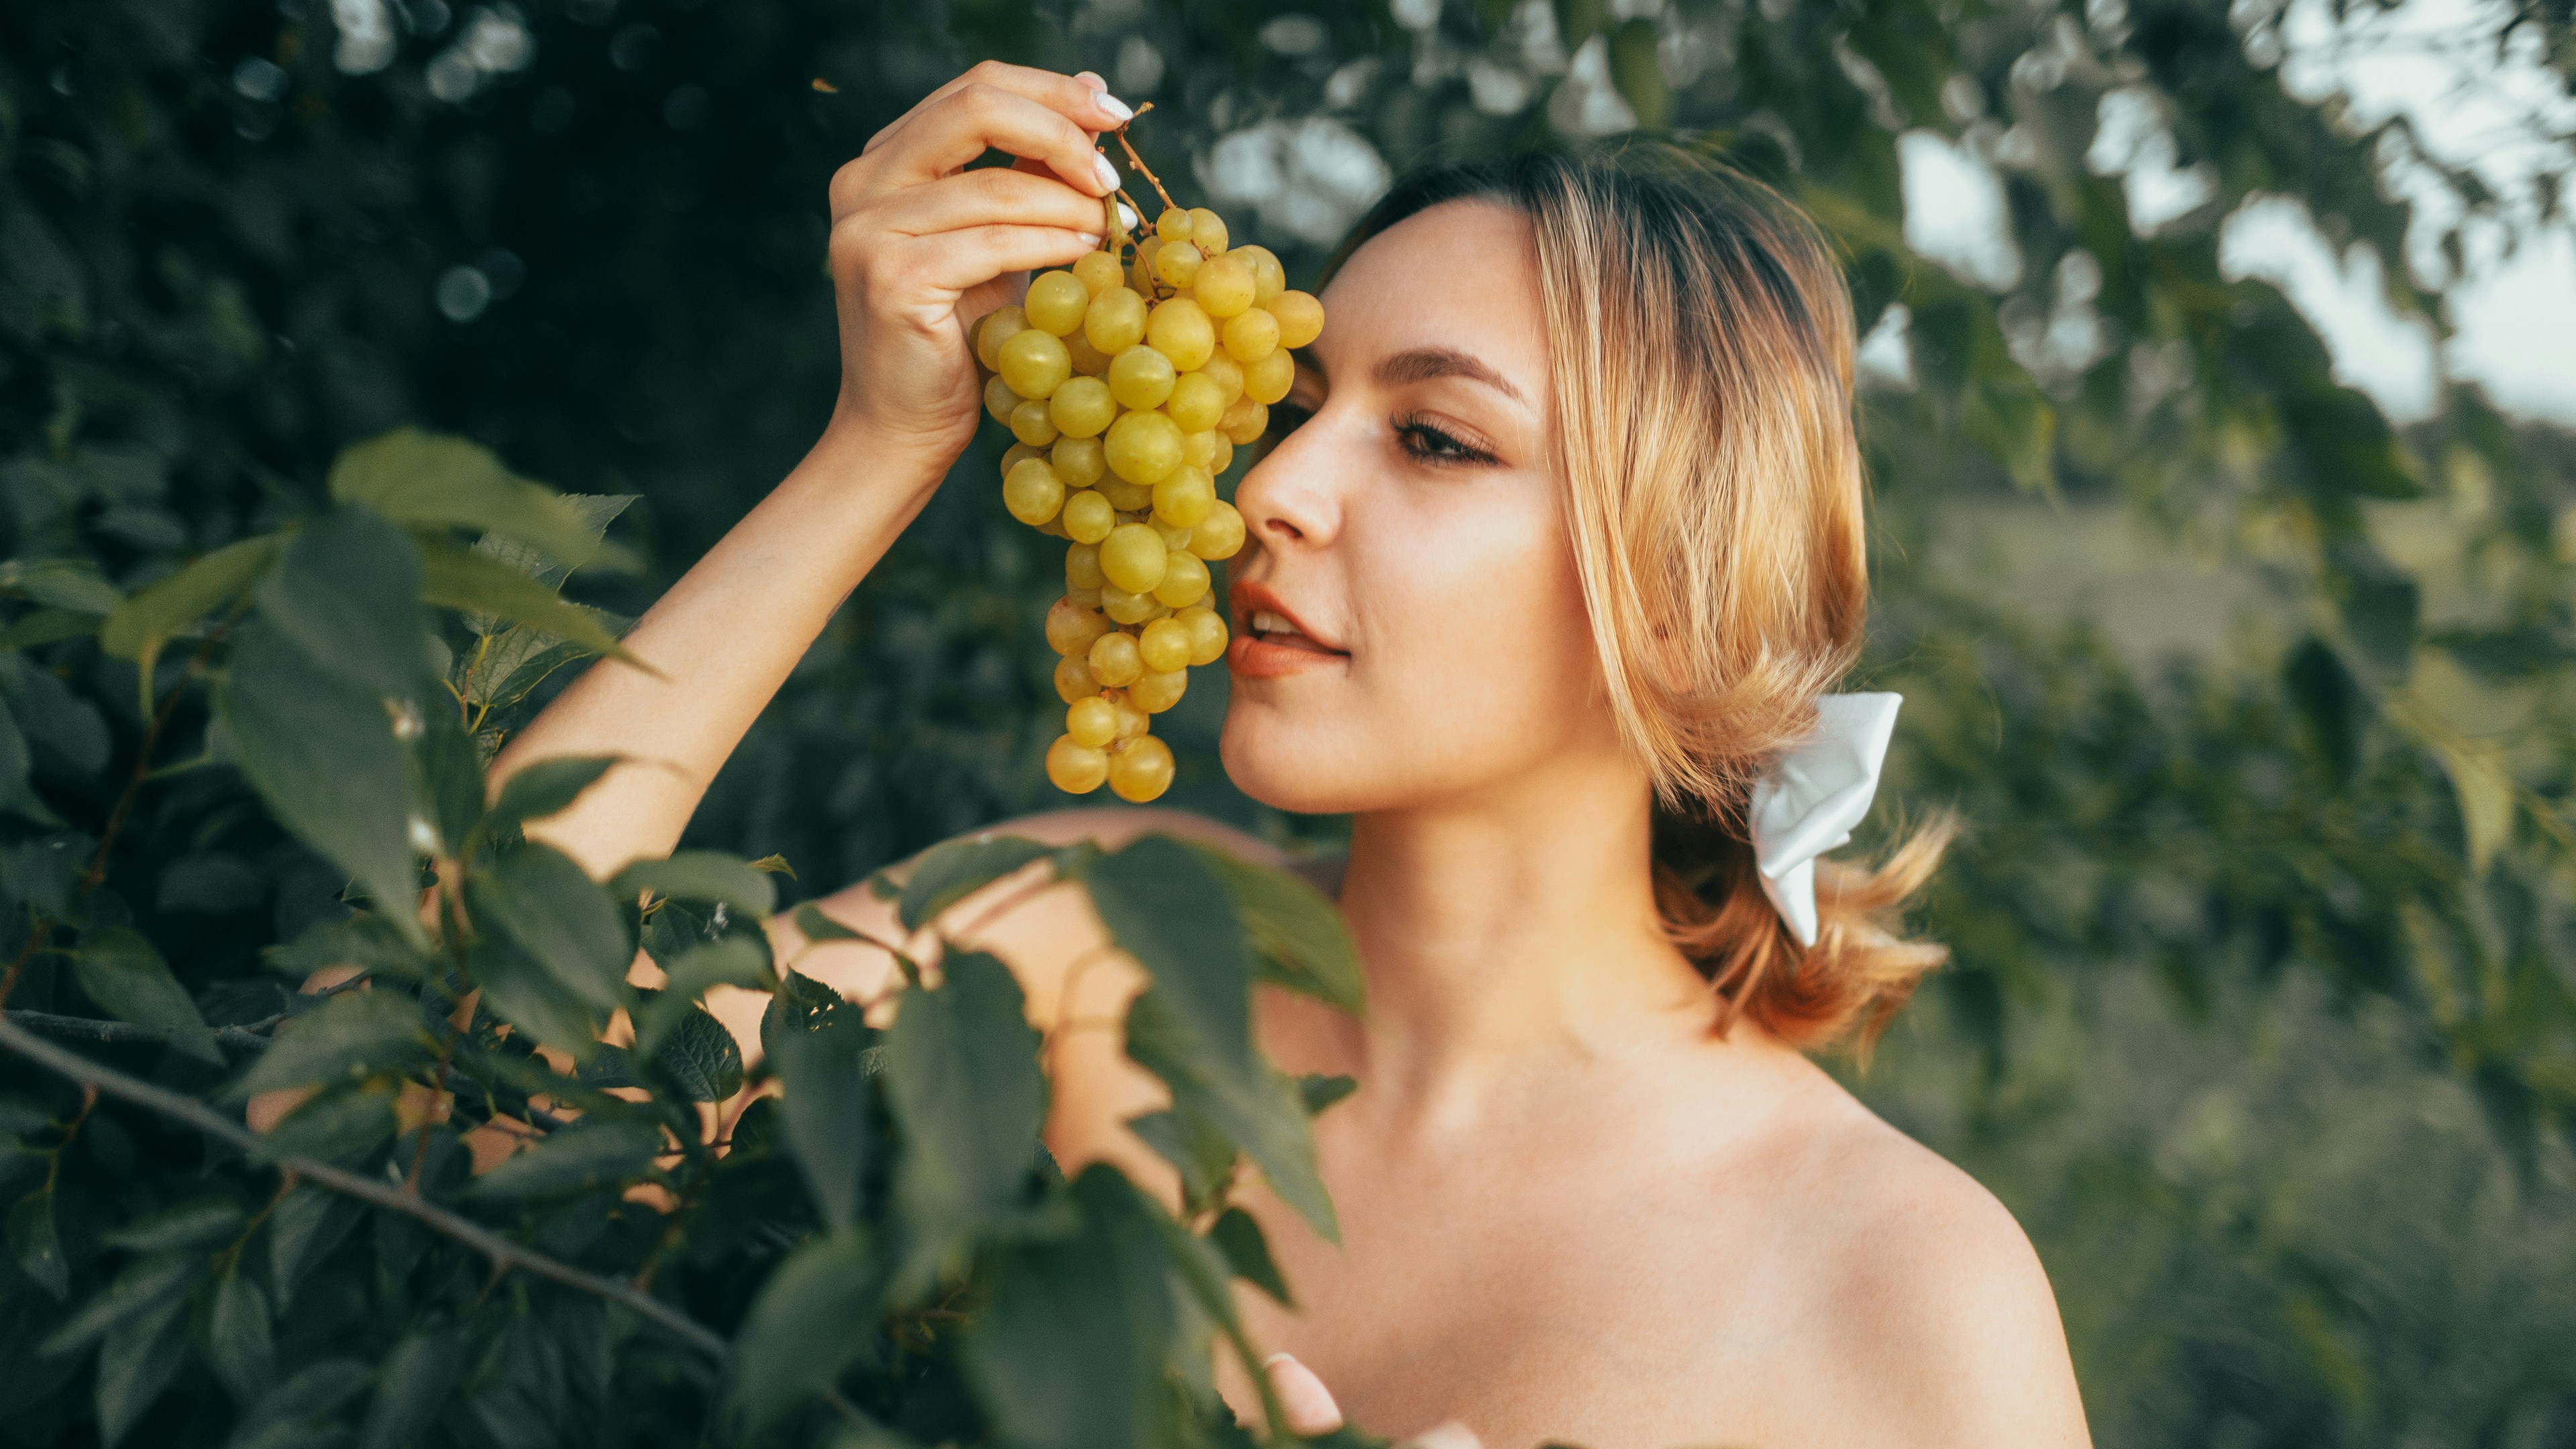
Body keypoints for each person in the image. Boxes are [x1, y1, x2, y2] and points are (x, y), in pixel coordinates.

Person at [494, 60, 2095, 1449]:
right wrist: (879, 450)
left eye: (1434, 438)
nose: (1271, 485)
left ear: (1678, 603)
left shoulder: (1902, 1288)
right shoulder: (1076, 941)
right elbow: (457, 1116)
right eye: (1299, 400)